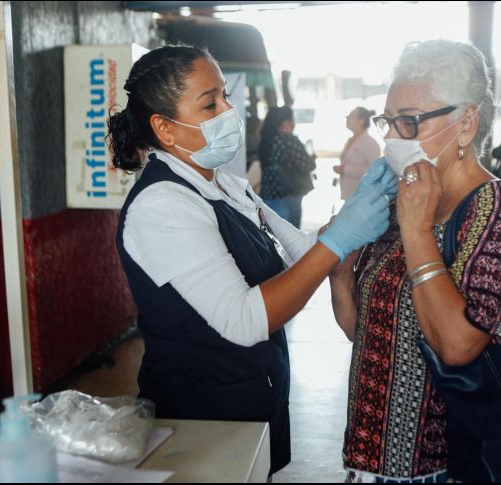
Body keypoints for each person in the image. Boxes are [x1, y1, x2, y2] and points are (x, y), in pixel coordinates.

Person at [107, 45, 398, 475]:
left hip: (255, 395)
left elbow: (297, 250)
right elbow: (242, 320)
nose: (229, 109)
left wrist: (350, 217)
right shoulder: (162, 205)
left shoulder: (227, 185)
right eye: (210, 103)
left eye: (225, 95)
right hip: (203, 415)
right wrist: (337, 241)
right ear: (165, 129)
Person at [330, 40, 501, 483]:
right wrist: (340, 272)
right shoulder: (402, 200)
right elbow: (372, 334)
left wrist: (416, 230)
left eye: (409, 122)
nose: (391, 137)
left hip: (446, 468)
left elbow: (457, 346)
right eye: (387, 121)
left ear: (465, 124)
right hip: (371, 457)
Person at [259, 106, 317, 228]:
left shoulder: (265, 141)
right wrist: (312, 157)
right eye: (292, 120)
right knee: (291, 241)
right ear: (285, 122)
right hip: (287, 197)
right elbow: (307, 164)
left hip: (267, 197)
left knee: (273, 239)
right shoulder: (288, 140)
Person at [333, 107, 381, 200]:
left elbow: (374, 171)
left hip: (362, 197)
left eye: (350, 116)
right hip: (348, 193)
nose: (347, 118)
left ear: (361, 120)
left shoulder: (370, 143)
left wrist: (346, 170)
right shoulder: (350, 140)